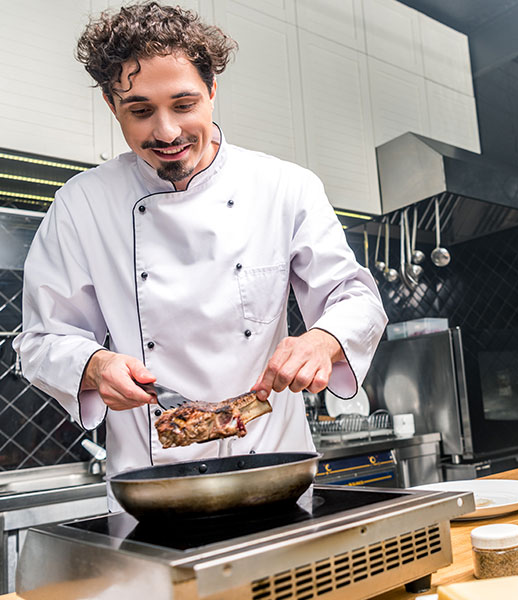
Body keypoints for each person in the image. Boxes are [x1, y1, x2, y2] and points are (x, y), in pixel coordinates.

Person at [13, 2, 387, 509]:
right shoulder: (82, 204)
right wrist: (93, 365)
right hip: (152, 484)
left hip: (275, 466)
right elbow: (39, 342)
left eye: (184, 104)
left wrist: (323, 339)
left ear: (212, 91)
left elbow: (357, 300)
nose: (166, 133)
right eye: (141, 111)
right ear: (110, 104)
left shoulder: (284, 186)